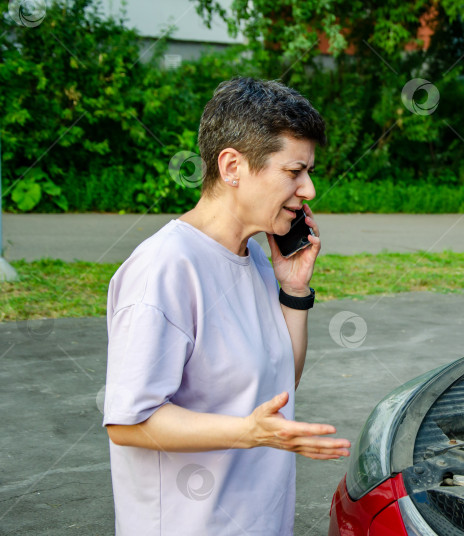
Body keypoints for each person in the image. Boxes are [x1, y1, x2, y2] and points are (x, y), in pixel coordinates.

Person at [102, 77, 350, 535]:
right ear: (233, 165)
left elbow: (279, 384)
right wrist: (248, 433)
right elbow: (129, 422)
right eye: (294, 171)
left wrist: (294, 290)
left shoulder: (255, 257)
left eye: (308, 172)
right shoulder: (164, 269)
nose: (309, 189)